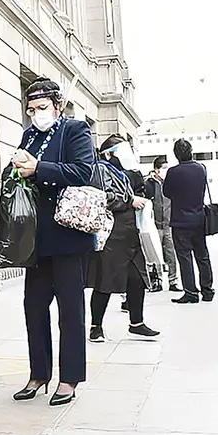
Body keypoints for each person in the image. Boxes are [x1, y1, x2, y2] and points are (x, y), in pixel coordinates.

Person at [9, 78, 95, 407]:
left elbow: (82, 171)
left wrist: (39, 168)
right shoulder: (30, 134)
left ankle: (70, 378)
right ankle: (39, 372)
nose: (36, 114)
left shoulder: (74, 130)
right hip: (37, 236)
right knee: (34, 306)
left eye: (42, 108)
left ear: (58, 106)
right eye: (30, 109)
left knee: (70, 311)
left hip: (69, 235)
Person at [87, 134, 161, 344]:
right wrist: (130, 200)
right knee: (105, 281)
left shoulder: (127, 173)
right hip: (112, 234)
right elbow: (101, 197)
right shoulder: (100, 169)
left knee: (136, 279)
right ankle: (96, 326)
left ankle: (136, 323)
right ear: (110, 154)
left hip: (130, 233)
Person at [162, 138, 215, 304]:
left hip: (180, 220)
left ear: (176, 154)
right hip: (199, 218)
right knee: (202, 255)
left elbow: (167, 192)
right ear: (191, 151)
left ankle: (191, 292)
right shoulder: (201, 168)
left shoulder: (173, 172)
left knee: (184, 257)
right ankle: (207, 290)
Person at [144, 156, 181, 292]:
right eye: (163, 168)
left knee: (171, 253)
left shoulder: (170, 183)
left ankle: (173, 281)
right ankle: (156, 280)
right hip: (155, 224)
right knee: (155, 254)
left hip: (169, 223)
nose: (165, 171)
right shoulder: (148, 183)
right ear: (156, 169)